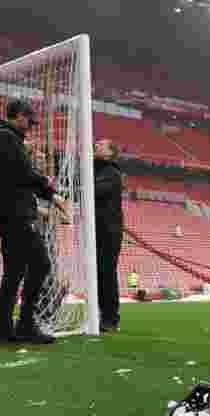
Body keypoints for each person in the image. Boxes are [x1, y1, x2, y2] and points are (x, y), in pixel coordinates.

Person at [0, 98, 70, 344]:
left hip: (6, 213)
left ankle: (6, 330)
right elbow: (24, 173)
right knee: (41, 264)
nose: (30, 127)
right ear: (19, 116)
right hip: (14, 213)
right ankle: (25, 323)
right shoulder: (6, 138)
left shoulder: (3, 138)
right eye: (29, 122)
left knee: (14, 272)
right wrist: (52, 192)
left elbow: (20, 174)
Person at [93, 139, 125, 333]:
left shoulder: (112, 173)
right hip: (97, 228)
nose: (96, 145)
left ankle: (111, 318)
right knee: (98, 274)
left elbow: (95, 192)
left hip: (109, 230)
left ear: (110, 153)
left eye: (101, 145)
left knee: (106, 273)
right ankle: (102, 315)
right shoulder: (98, 171)